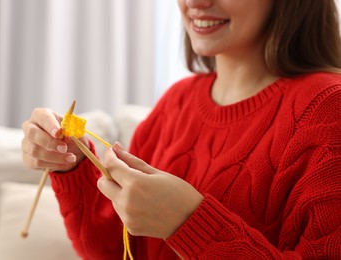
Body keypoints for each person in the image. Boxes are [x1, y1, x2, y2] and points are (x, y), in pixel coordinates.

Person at [22, 0, 341, 259]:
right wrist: (73, 165)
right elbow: (115, 251)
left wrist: (189, 224)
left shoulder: (329, 109)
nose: (196, 3)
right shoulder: (177, 101)